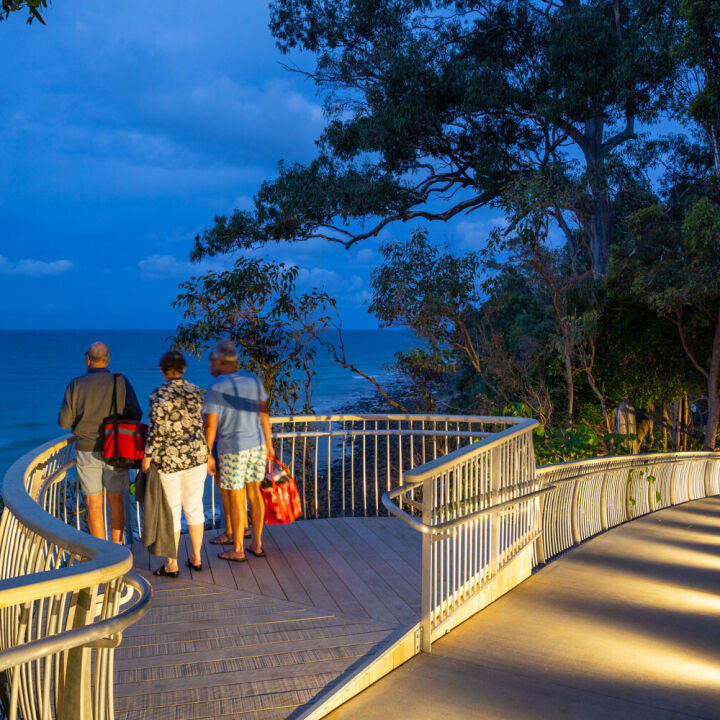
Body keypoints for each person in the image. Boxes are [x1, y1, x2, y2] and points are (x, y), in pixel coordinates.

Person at [58, 341, 142, 543]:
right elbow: (136, 414)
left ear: (88, 359)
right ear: (108, 360)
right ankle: (119, 550)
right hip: (116, 449)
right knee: (116, 501)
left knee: (94, 505)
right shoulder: (120, 381)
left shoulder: (76, 384)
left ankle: (104, 557)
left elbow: (64, 422)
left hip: (87, 449)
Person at [203, 340, 274, 562]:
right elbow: (264, 414)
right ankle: (257, 543)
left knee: (236, 496)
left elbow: (211, 425)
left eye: (211, 361)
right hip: (257, 445)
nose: (209, 366)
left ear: (220, 362)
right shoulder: (253, 380)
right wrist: (269, 444)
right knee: (254, 493)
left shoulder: (216, 387)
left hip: (233, 448)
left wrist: (208, 455)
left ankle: (238, 549)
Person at [142, 351, 208, 578]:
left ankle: (172, 563)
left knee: (172, 511)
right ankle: (197, 557)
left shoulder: (158, 395)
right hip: (197, 456)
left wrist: (147, 457)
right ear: (184, 369)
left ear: (162, 370)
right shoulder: (196, 392)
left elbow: (156, 431)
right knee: (194, 506)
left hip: (170, 461)